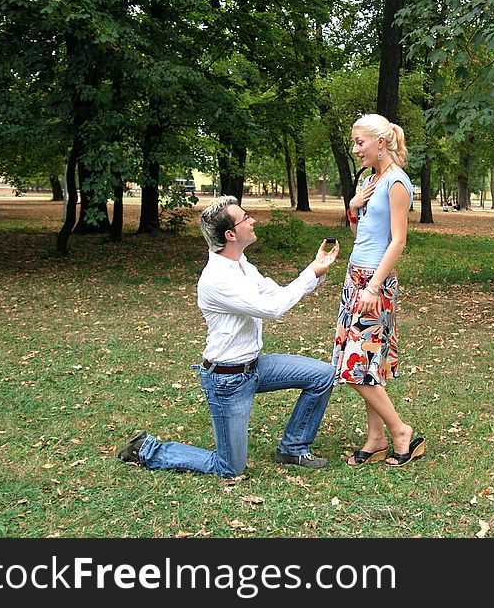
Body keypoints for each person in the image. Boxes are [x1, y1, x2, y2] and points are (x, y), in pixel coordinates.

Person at [117, 195, 339, 476]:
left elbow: (275, 293)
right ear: (230, 234)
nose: (253, 220)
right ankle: (147, 449)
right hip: (227, 380)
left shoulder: (242, 265)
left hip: (254, 368)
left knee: (322, 375)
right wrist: (309, 274)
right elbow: (270, 309)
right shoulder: (217, 279)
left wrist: (316, 272)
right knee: (230, 467)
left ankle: (292, 448)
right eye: (246, 217)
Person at [332, 113, 425, 467]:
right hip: (356, 275)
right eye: (354, 143)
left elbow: (398, 241)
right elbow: (363, 235)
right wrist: (354, 207)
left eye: (360, 142)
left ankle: (400, 430)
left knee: (354, 365)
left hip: (375, 280)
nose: (356, 149)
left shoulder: (397, 183)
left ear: (381, 142)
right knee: (365, 362)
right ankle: (376, 437)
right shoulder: (373, 180)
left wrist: (373, 286)